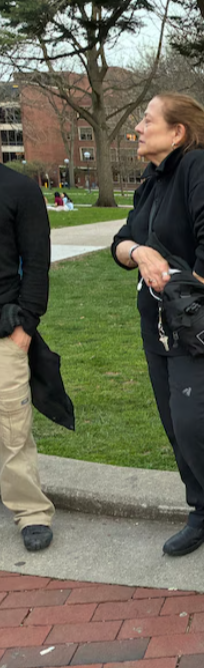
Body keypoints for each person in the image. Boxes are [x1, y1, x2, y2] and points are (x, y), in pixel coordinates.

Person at [111, 93, 204, 576]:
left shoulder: (200, 169)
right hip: (158, 330)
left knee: (194, 425)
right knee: (176, 428)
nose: (138, 127)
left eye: (147, 119)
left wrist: (188, 299)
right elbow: (119, 242)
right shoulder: (152, 182)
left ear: (177, 132)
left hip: (202, 330)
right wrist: (138, 252)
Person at [0, 164, 64, 551]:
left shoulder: (20, 190)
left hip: (6, 331)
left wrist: (26, 325)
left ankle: (31, 512)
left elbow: (37, 262)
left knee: (13, 430)